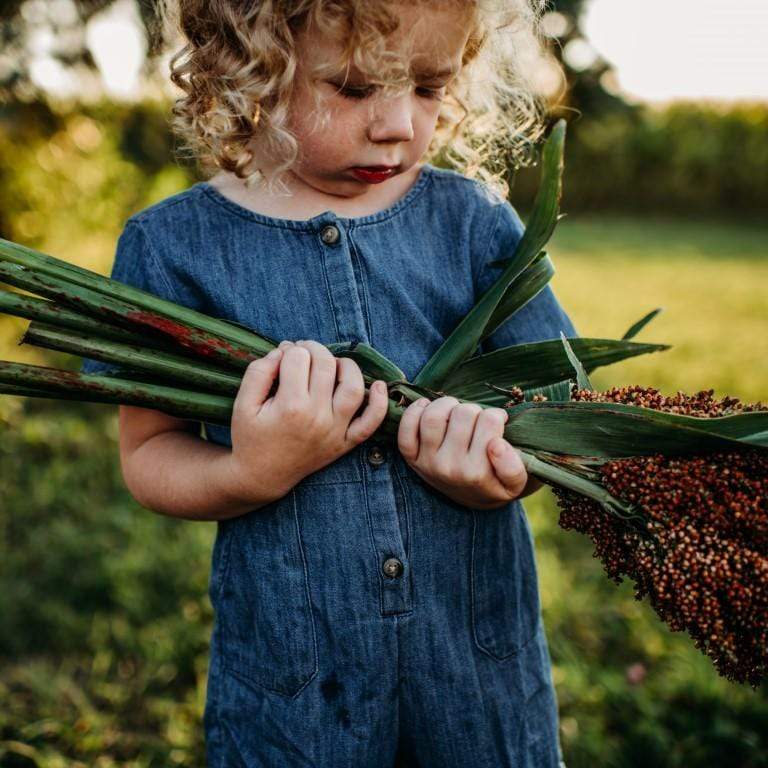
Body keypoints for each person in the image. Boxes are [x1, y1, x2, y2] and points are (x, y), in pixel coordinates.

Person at [81, 0, 577, 765]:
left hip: (476, 683)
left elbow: (561, 411)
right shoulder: (173, 249)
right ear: (249, 67)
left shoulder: (475, 226)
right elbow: (149, 456)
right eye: (352, 89)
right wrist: (249, 471)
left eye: (429, 87)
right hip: (293, 697)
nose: (398, 125)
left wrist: (502, 471)